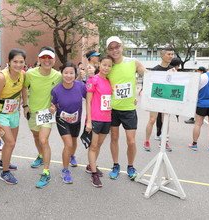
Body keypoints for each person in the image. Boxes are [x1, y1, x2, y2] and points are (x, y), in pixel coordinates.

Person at [106, 36, 147, 180]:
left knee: (131, 141)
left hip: (129, 109)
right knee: (114, 139)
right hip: (112, 109)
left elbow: (147, 74)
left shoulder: (133, 62)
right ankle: (116, 165)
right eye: (111, 48)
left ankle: (130, 166)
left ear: (122, 47)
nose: (115, 50)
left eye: (117, 47)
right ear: (108, 51)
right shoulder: (108, 66)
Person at [22, 46, 62, 188]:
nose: (46, 60)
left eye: (49, 58)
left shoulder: (58, 76)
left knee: (43, 140)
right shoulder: (30, 74)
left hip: (47, 114)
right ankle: (40, 155)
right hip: (33, 112)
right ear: (39, 59)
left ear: (54, 60)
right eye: (44, 57)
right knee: (36, 137)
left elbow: (63, 90)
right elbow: (24, 88)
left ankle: (46, 172)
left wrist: (55, 105)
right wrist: (25, 105)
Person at [0, 49, 26, 184]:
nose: (18, 64)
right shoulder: (1, 77)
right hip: (1, 114)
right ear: (9, 62)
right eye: (15, 61)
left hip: (14, 113)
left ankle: (3, 162)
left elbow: (23, 88)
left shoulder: (23, 74)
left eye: (21, 62)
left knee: (11, 143)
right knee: (10, 142)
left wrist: (24, 105)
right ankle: (5, 172)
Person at [51, 62, 86, 184]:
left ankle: (71, 156)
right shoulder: (56, 90)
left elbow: (91, 98)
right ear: (62, 73)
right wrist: (52, 108)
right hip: (62, 119)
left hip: (77, 119)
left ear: (75, 74)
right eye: (66, 72)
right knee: (69, 144)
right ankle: (65, 170)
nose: (68, 75)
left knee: (74, 141)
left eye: (71, 73)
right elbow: (53, 105)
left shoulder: (81, 86)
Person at [85, 56, 113, 187]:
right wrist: (88, 121)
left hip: (106, 119)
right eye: (104, 65)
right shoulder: (93, 80)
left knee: (99, 145)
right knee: (93, 146)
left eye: (109, 66)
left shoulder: (109, 82)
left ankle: (91, 166)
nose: (106, 68)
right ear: (99, 65)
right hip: (95, 118)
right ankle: (94, 174)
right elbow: (88, 101)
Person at [143, 48, 175, 152]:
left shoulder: (173, 70)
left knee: (166, 120)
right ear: (162, 56)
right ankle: (147, 141)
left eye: (172, 54)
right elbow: (149, 84)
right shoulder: (155, 69)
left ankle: (164, 141)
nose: (171, 56)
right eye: (168, 54)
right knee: (152, 120)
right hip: (156, 98)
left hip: (167, 99)